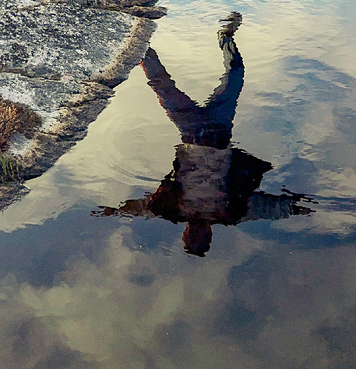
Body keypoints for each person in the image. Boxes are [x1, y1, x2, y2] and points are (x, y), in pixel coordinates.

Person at [95, 14, 312, 256]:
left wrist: (116, 211)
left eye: (190, 236)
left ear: (185, 233)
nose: (194, 232)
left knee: (161, 85)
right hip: (220, 129)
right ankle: (225, 37)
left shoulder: (173, 209)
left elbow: (144, 209)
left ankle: (137, 41)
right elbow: (263, 208)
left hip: (190, 130)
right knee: (236, 75)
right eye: (199, 237)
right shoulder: (228, 211)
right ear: (209, 234)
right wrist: (292, 208)